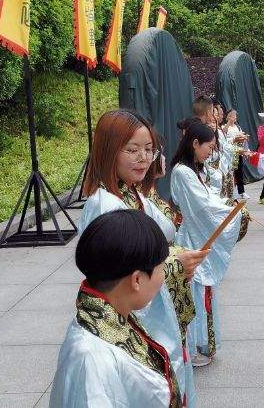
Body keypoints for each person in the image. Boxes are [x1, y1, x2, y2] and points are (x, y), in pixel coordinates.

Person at [78, 110, 204, 402]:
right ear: (109, 151)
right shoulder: (105, 205)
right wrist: (174, 264)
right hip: (135, 312)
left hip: (155, 304)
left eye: (149, 150)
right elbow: (118, 271)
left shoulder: (132, 194)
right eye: (132, 150)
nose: (143, 158)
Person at [50, 210, 179, 407]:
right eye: (162, 267)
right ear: (137, 279)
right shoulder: (91, 358)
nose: (164, 275)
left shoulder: (109, 316)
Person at [170, 121, 248, 365]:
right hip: (191, 239)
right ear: (194, 143)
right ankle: (192, 348)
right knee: (195, 295)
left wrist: (228, 208)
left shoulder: (194, 169)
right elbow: (202, 206)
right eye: (209, 147)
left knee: (203, 294)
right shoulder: (183, 172)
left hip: (197, 236)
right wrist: (232, 213)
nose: (210, 152)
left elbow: (207, 197)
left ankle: (202, 345)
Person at [222, 109, 249, 199]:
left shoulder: (238, 127)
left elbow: (241, 137)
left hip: (238, 151)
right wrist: (229, 123)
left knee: (239, 171)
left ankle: (241, 191)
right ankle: (230, 192)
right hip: (229, 153)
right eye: (232, 115)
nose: (234, 117)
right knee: (230, 171)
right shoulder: (224, 127)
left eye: (235, 116)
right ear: (228, 116)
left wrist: (244, 137)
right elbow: (224, 133)